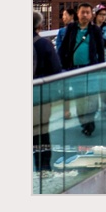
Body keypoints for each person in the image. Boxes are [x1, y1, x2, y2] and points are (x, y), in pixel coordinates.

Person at [57, 2, 105, 137]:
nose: (85, 15)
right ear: (77, 14)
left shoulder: (95, 30)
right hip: (75, 69)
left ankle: (89, 123)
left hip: (91, 68)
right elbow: (64, 47)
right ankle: (84, 122)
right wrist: (61, 65)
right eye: (82, 12)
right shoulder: (71, 28)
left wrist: (101, 67)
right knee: (79, 98)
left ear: (91, 15)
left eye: (87, 12)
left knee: (92, 98)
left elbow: (100, 51)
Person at [33, 11, 63, 176]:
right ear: (40, 26)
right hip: (41, 97)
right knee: (42, 133)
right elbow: (56, 71)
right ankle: (43, 168)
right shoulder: (45, 44)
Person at [55, 7, 76, 119]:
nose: (63, 18)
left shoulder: (78, 30)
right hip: (65, 64)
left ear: (72, 16)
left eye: (65, 15)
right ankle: (66, 111)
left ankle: (79, 110)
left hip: (75, 63)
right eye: (62, 15)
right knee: (65, 88)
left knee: (76, 86)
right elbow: (59, 47)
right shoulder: (61, 31)